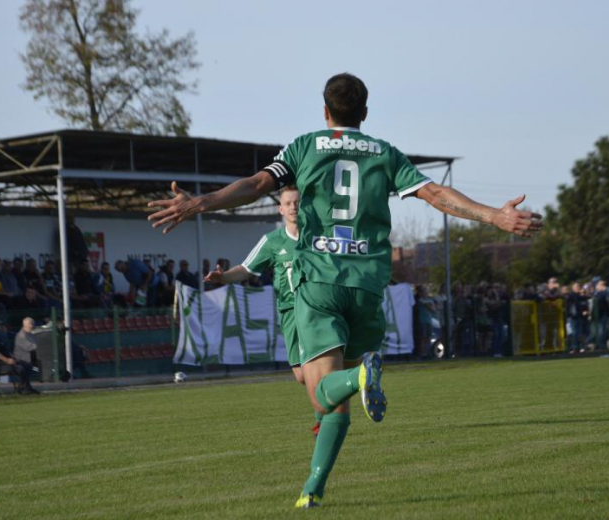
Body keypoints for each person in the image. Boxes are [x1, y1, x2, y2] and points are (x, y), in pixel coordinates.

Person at [147, 72, 541, 507]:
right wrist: (495, 217)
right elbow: (436, 194)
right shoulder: (385, 154)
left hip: (320, 282)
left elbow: (256, 185)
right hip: (369, 287)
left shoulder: (305, 146)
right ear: (365, 114)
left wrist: (200, 202)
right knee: (336, 402)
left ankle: (355, 383)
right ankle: (311, 490)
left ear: (325, 112)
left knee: (323, 392)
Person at [204, 186, 312, 425]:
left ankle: (324, 417)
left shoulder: (317, 236)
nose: (294, 206)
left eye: (298, 202)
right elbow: (245, 269)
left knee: (319, 365)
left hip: (317, 309)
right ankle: (353, 378)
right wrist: (222, 277)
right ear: (280, 209)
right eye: (289, 203)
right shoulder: (272, 241)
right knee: (302, 376)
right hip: (289, 311)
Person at [0, 325, 38, 394]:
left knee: (27, 365)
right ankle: (24, 388)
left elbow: (5, 351)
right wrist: (7, 360)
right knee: (20, 368)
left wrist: (13, 358)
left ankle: (25, 386)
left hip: (7, 362)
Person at [13, 317, 40, 394]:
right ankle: (24, 387)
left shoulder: (31, 335)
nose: (32, 326)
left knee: (33, 367)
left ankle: (27, 387)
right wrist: (39, 346)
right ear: (25, 325)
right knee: (24, 368)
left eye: (32, 324)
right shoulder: (21, 336)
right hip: (20, 360)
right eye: (30, 324)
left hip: (30, 360)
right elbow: (29, 347)